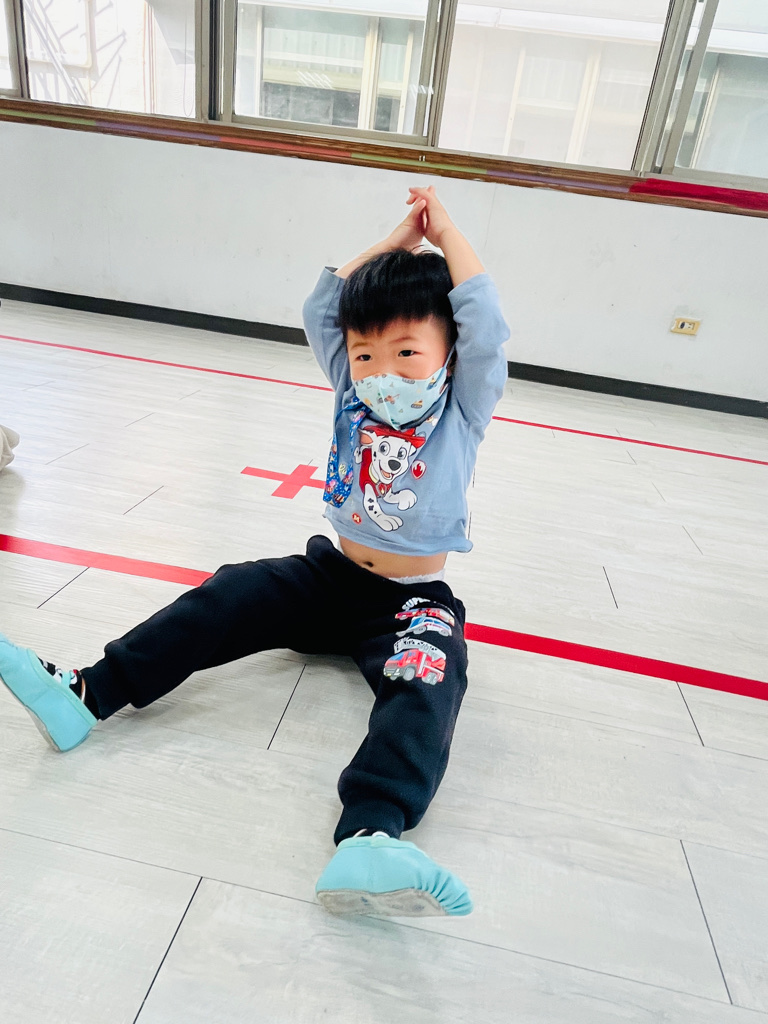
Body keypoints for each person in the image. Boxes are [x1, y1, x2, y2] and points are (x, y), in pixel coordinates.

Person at [0, 186, 509, 918]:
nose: (383, 372)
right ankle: (88, 693)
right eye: (366, 354)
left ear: (449, 355)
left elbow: (485, 323)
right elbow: (324, 307)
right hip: (330, 576)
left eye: (406, 352)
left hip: (409, 600)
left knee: (428, 680)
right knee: (231, 591)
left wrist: (446, 231)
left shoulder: (462, 406)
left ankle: (370, 831)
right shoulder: (353, 390)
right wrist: (397, 239)